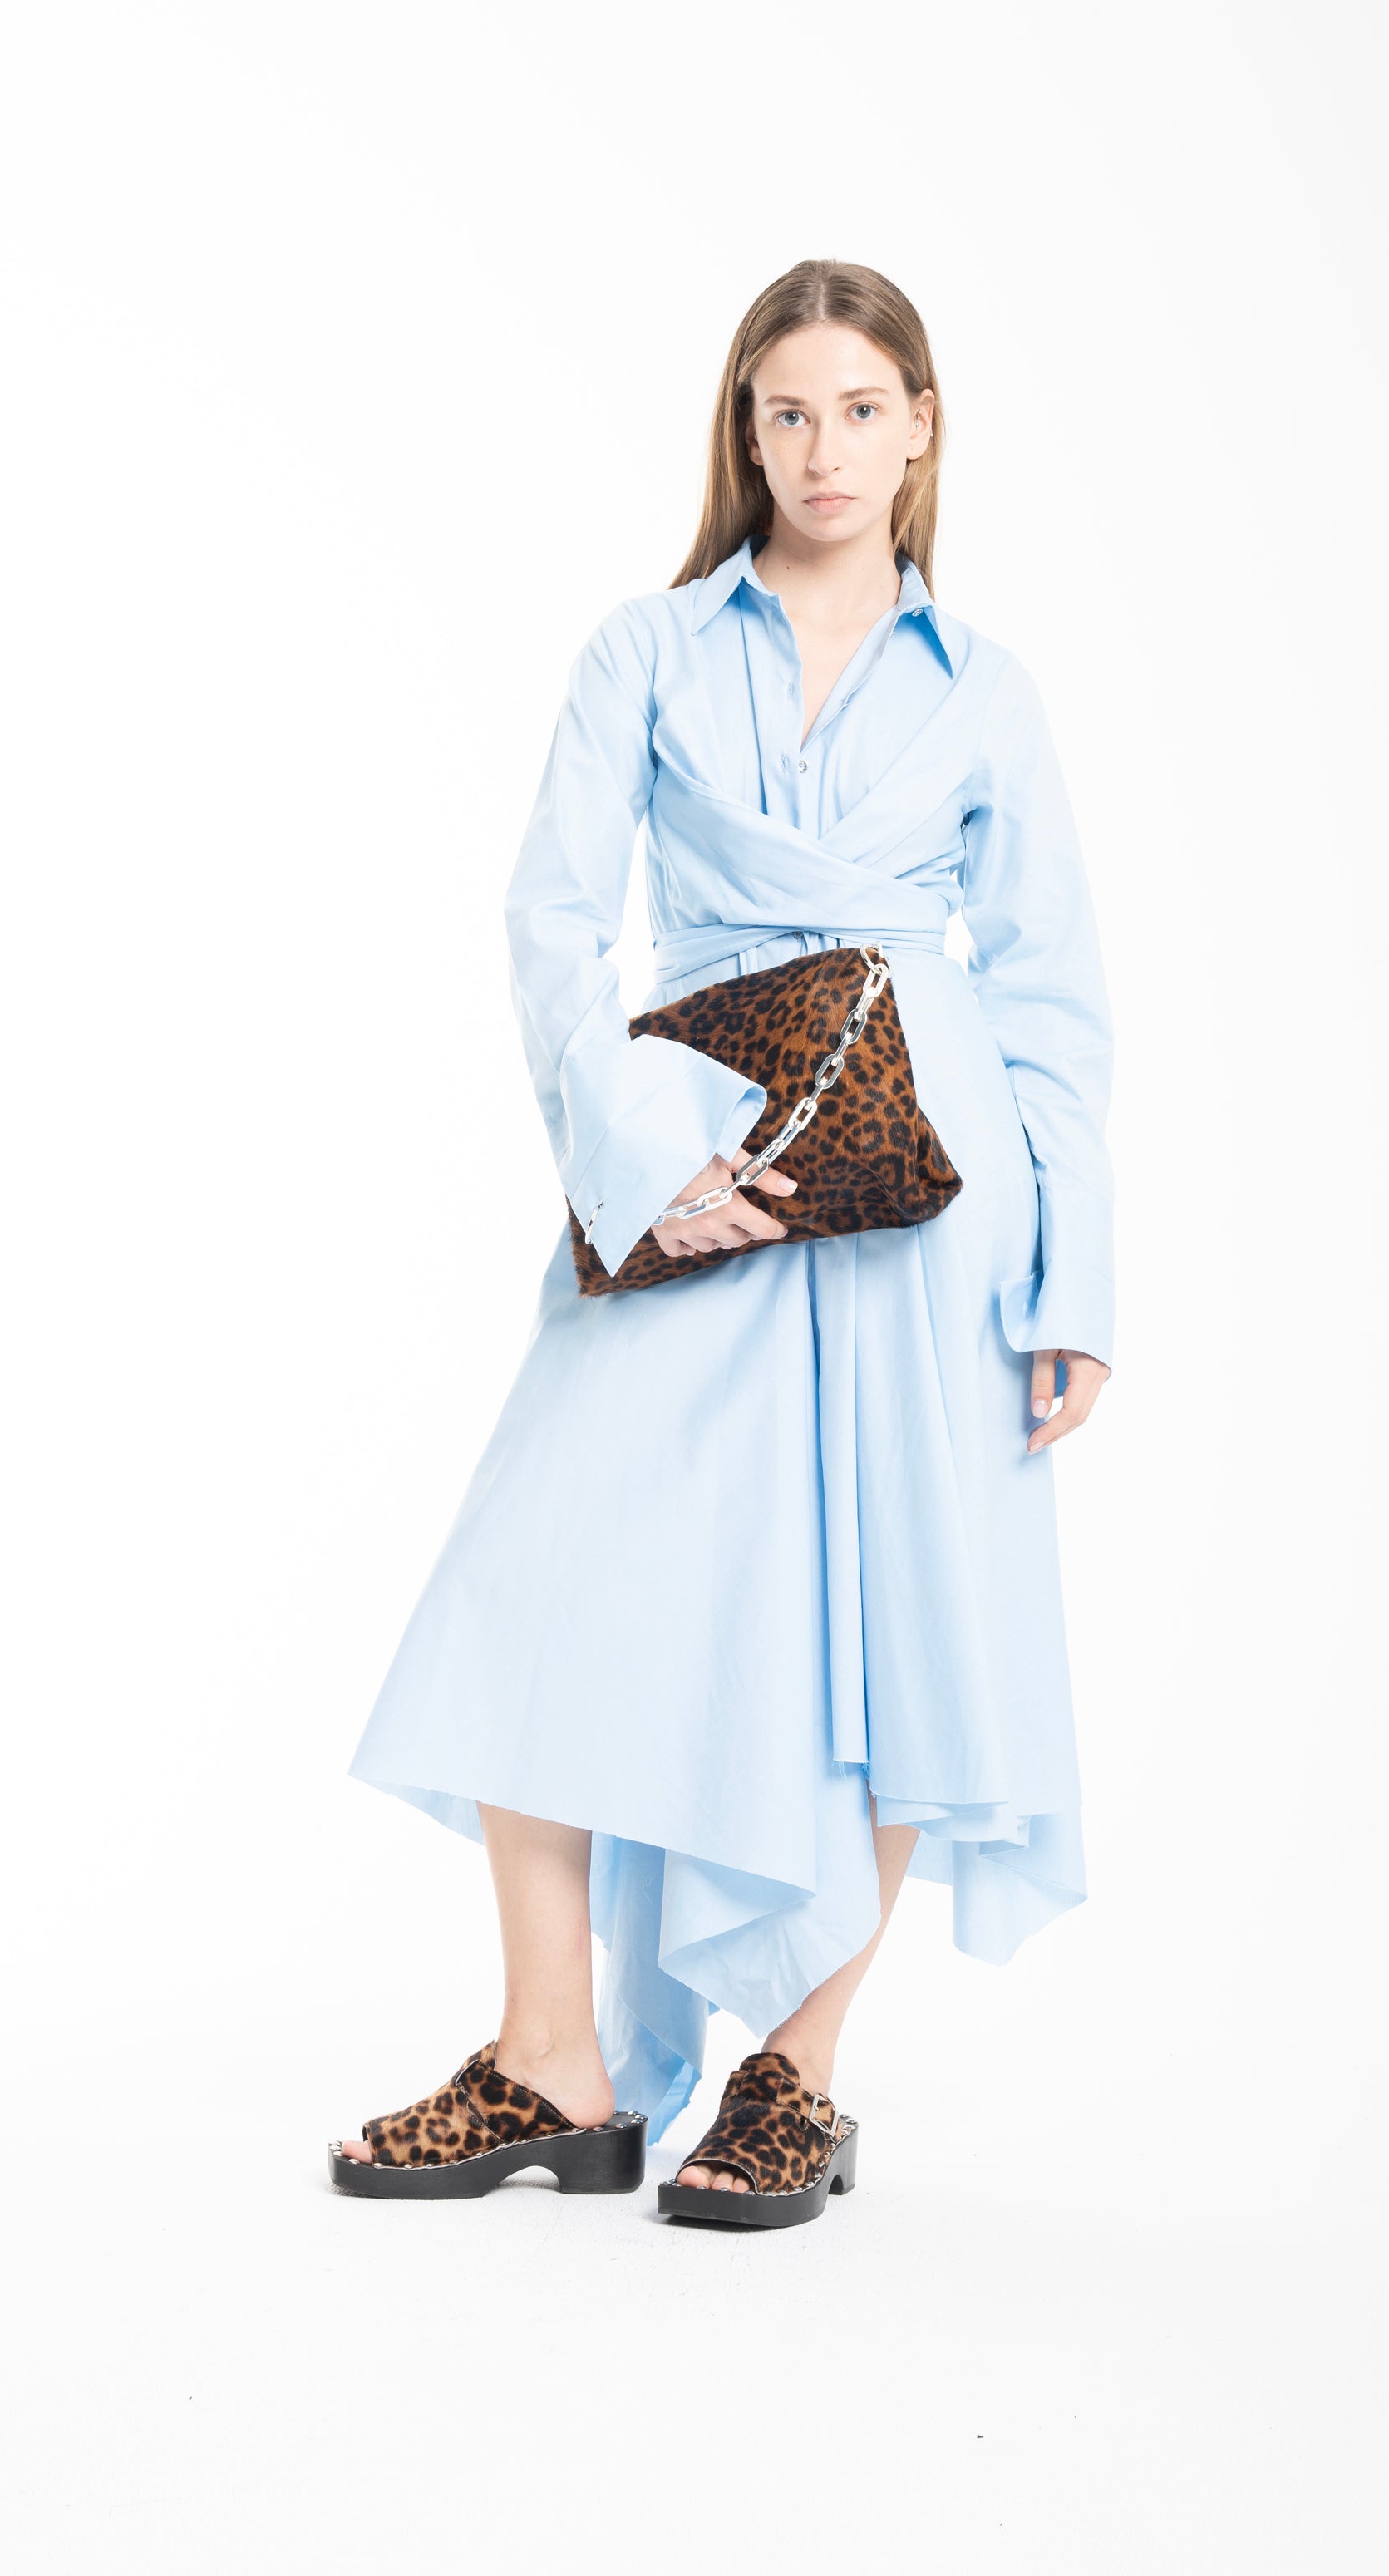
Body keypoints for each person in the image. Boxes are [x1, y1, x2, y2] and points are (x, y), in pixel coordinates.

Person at [330, 258, 1114, 2228]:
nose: (823, 447)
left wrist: (1075, 1278)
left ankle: (794, 2081)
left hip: (936, 1189)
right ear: (742, 431)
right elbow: (552, 920)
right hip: (698, 1144)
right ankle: (551, 2060)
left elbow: (1050, 995)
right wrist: (637, 1161)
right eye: (787, 410)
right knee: (538, 1565)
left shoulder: (987, 690)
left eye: (860, 408)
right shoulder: (647, 650)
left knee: (889, 1615)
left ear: (918, 429)